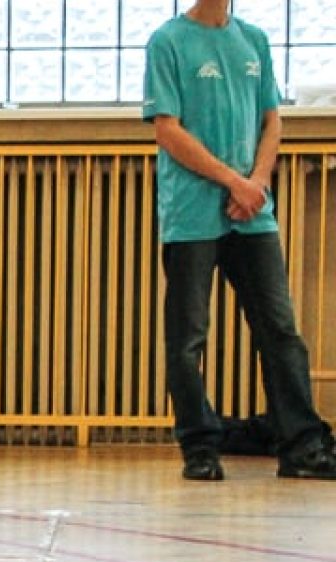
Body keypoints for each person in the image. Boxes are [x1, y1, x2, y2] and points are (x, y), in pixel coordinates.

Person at [144, 1, 336, 482]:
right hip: (192, 212)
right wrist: (233, 180)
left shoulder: (254, 40)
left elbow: (272, 119)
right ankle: (199, 446)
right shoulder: (168, 41)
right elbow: (168, 129)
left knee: (280, 329)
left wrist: (257, 182)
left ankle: (302, 445)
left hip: (251, 212)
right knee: (189, 336)